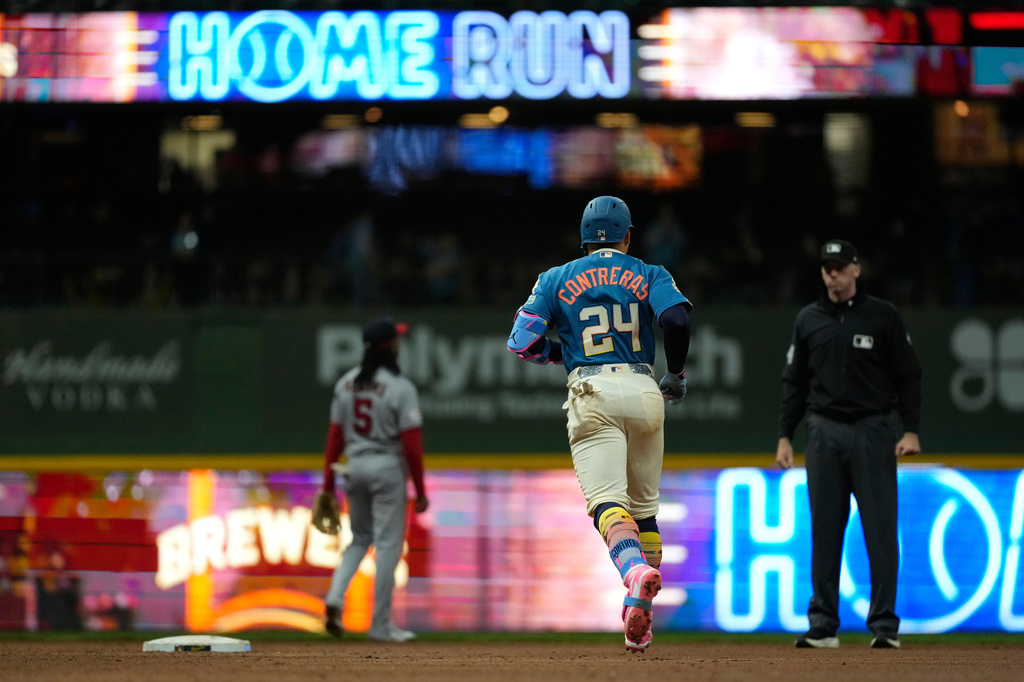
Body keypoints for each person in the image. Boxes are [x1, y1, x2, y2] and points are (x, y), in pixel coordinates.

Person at [506, 196, 693, 653]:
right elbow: (676, 319)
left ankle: (634, 573)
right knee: (644, 513)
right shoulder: (649, 272)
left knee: (608, 505)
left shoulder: (555, 278)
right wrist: (675, 373)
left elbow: (521, 341)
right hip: (644, 387)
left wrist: (559, 353)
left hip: (592, 390)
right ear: (628, 235)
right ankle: (639, 610)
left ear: (584, 239)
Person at [776, 239, 922, 650]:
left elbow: (908, 374)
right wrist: (785, 435)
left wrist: (911, 429)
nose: (832, 274)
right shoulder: (808, 319)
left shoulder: (883, 315)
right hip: (823, 430)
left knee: (880, 531)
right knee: (824, 532)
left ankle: (884, 626)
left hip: (873, 429)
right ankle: (823, 624)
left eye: (839, 267)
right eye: (827, 268)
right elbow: (794, 383)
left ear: (856, 269)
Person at [319, 317, 429, 642]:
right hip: (386, 466)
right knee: (387, 546)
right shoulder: (400, 387)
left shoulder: (345, 383)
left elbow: (335, 438)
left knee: (359, 540)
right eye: (396, 339)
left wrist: (328, 485)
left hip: (353, 467)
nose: (399, 343)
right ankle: (380, 625)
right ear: (389, 346)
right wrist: (420, 490)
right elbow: (412, 446)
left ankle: (334, 597)